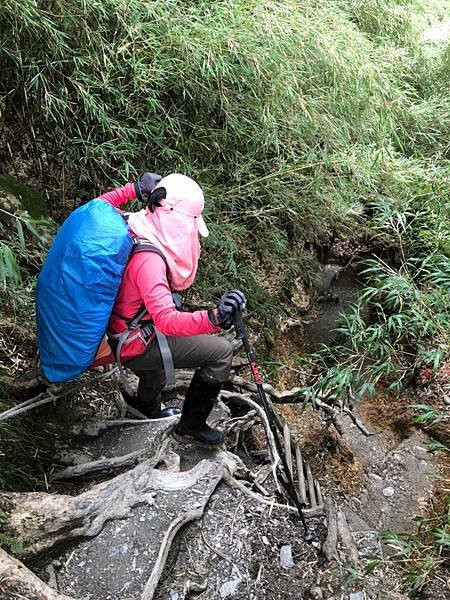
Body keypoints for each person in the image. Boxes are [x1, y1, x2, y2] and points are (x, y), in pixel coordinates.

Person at [98, 172, 246, 447]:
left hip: (119, 330)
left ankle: (146, 407)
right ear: (179, 220)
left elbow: (97, 207)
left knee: (153, 368)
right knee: (221, 353)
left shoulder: (131, 223)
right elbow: (166, 321)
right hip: (132, 343)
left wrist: (132, 189)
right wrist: (215, 317)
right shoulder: (149, 261)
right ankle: (191, 427)